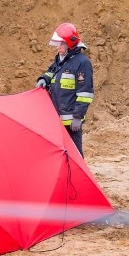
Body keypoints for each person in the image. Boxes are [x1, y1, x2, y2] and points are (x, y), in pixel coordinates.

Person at [36, 22, 94, 157]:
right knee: (59, 155)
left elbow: (85, 94)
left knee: (75, 155)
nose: (58, 48)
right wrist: (44, 79)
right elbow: (52, 72)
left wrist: (77, 118)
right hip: (56, 120)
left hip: (71, 123)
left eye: (61, 44)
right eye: (58, 44)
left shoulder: (82, 63)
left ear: (70, 44)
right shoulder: (62, 59)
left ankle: (78, 178)